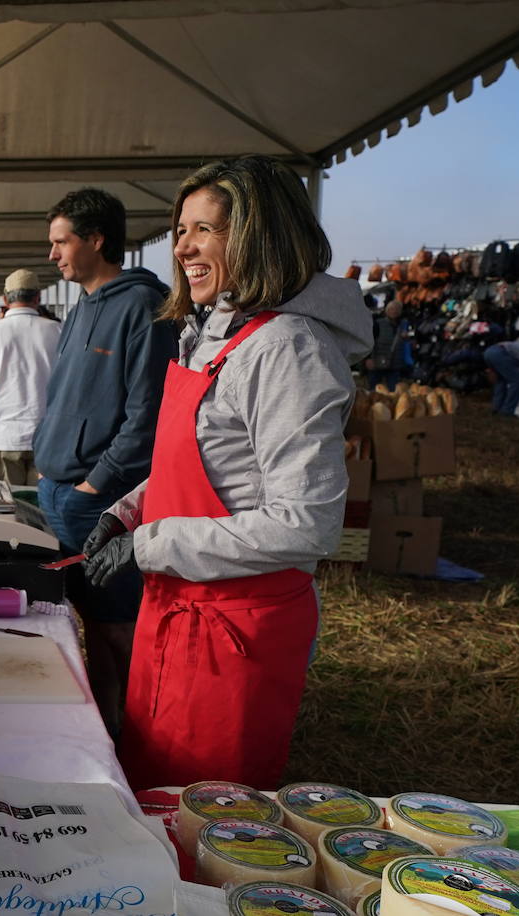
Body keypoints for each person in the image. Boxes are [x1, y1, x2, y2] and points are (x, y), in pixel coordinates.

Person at [80, 156, 373, 790]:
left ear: (259, 236)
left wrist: (152, 543)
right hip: (177, 606)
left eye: (204, 230)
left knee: (205, 812)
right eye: (180, 229)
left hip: (234, 630)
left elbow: (308, 524)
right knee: (154, 790)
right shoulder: (213, 332)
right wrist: (126, 511)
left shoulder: (289, 347)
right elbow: (202, 463)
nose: (182, 246)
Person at [33, 186, 175, 734]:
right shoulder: (80, 308)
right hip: (61, 490)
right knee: (88, 622)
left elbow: (146, 418)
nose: (53, 254)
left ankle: (138, 733)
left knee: (118, 627)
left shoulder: (143, 307)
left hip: (98, 500)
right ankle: (104, 729)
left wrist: (97, 485)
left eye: (61, 241)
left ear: (96, 240)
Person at [0, 269, 61, 485]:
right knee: (42, 511)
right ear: (38, 298)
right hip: (48, 435)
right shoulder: (58, 330)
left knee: (8, 511)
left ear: (4, 299)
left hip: (5, 434)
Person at [365, 298, 410, 390]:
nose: (394, 311)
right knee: (374, 391)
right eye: (392, 309)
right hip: (377, 362)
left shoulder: (404, 325)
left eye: (397, 309)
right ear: (387, 310)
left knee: (393, 392)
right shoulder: (378, 324)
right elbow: (368, 341)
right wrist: (368, 358)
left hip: (395, 364)